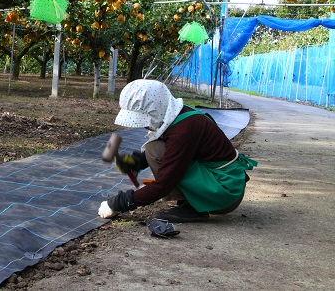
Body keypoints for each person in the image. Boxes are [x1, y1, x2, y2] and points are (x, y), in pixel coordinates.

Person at [98, 79, 257, 223]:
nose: (144, 125)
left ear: (156, 109)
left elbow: (163, 184)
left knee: (154, 149)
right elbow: (172, 151)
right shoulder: (180, 114)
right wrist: (139, 161)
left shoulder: (184, 130)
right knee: (154, 148)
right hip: (220, 183)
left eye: (144, 119)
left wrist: (119, 203)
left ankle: (192, 209)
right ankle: (189, 202)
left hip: (224, 192)